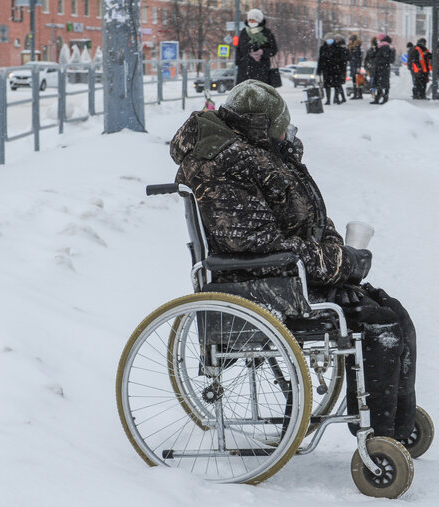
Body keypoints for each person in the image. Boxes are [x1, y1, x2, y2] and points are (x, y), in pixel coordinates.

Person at [169, 79, 418, 444]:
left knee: (392, 311)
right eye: (281, 127)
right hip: (261, 282)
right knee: (379, 324)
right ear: (260, 124)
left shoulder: (256, 153)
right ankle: (381, 435)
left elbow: (306, 221)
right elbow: (254, 243)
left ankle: (396, 422)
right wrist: (337, 263)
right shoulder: (220, 163)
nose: (287, 133)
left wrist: (339, 255)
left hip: (284, 273)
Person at [235, 9, 278, 85]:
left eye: (253, 20)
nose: (251, 22)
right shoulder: (244, 32)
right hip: (245, 70)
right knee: (244, 94)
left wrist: (262, 52)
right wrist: (240, 61)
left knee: (260, 93)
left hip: (261, 69)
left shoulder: (267, 33)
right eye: (250, 20)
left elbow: (273, 49)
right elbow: (239, 49)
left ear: (259, 21)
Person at [317, 33, 349, 105]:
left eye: (331, 39)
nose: (329, 40)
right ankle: (328, 99)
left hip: (336, 70)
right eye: (328, 39)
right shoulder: (322, 48)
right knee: (327, 85)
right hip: (326, 70)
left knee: (336, 85)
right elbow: (320, 60)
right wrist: (319, 70)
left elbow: (342, 60)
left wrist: (341, 69)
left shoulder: (338, 48)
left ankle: (336, 98)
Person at [370, 33, 395, 104]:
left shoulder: (384, 46)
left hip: (382, 67)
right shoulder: (382, 46)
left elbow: (383, 57)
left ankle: (384, 98)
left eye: (378, 39)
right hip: (382, 67)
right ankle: (379, 98)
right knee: (380, 83)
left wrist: (378, 60)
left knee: (382, 83)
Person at [348, 34, 363, 99]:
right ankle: (358, 94)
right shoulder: (352, 47)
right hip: (353, 65)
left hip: (355, 66)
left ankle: (357, 94)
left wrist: (358, 67)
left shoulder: (356, 48)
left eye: (350, 40)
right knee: (356, 80)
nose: (349, 41)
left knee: (357, 81)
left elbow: (358, 58)